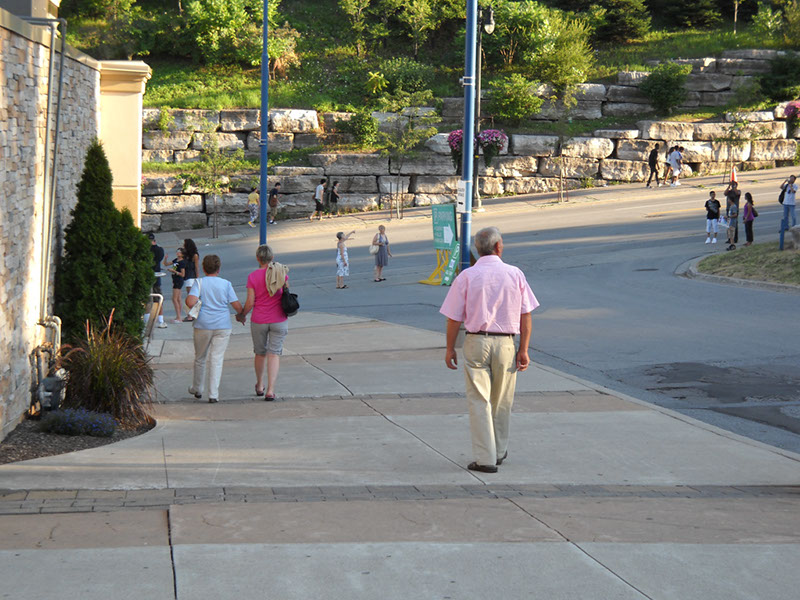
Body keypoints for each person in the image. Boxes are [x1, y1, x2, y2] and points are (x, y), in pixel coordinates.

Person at [440, 227, 539, 473]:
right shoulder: (515, 274)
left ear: (478, 249)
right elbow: (526, 315)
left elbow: (453, 318)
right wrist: (524, 349)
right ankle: (500, 450)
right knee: (502, 399)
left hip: (476, 342)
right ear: (498, 247)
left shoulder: (467, 276)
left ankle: (485, 457)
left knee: (479, 400)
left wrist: (450, 348)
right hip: (506, 343)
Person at [186, 255, 244, 404]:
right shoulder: (226, 284)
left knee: (200, 357)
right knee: (216, 359)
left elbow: (190, 302)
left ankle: (197, 388)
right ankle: (213, 394)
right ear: (219, 268)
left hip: (203, 325)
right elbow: (237, 306)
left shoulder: (199, 282)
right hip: (222, 325)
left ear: (204, 268)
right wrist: (241, 316)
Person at [237, 245, 289, 401]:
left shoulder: (252, 277)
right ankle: (270, 390)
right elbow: (286, 294)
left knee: (260, 353)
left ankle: (260, 385)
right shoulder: (281, 273)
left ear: (257, 259)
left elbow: (250, 302)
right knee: (274, 354)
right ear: (272, 258)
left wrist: (242, 314)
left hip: (259, 320)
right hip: (279, 319)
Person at [148, 233, 167, 328]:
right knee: (158, 299)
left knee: (147, 300)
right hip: (156, 276)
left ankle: (147, 321)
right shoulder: (159, 250)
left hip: (147, 276)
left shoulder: (145, 250)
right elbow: (159, 258)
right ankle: (160, 320)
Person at [164, 247, 186, 323]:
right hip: (175, 279)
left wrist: (174, 271)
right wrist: (165, 258)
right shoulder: (176, 260)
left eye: (179, 252)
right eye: (177, 251)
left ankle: (179, 317)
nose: (177, 253)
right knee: (178, 299)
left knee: (174, 299)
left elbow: (183, 274)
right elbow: (166, 264)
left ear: (182, 254)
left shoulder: (182, 262)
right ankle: (178, 316)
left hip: (178, 280)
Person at [182, 238, 201, 322]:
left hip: (191, 277)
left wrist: (197, 278)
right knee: (191, 297)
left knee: (191, 297)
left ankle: (191, 315)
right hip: (188, 277)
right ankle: (193, 314)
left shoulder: (194, 255)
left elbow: (196, 267)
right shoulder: (187, 255)